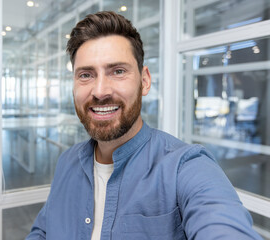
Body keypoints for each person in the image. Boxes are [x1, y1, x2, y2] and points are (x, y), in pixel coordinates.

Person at [26, 11, 262, 240]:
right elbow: (43, 232)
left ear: (145, 81)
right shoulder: (67, 162)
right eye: (86, 75)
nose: (99, 91)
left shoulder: (186, 168)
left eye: (118, 71)